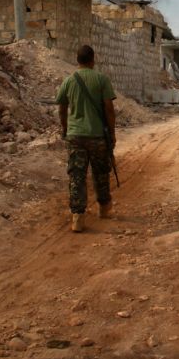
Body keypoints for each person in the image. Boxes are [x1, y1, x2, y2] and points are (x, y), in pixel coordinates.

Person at [56, 45, 117, 233]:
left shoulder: (68, 81)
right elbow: (108, 108)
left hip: (75, 136)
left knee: (76, 176)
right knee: (101, 172)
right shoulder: (101, 79)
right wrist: (112, 133)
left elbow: (61, 108)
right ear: (93, 59)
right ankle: (104, 208)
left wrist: (66, 128)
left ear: (77, 60)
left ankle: (78, 217)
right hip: (98, 135)